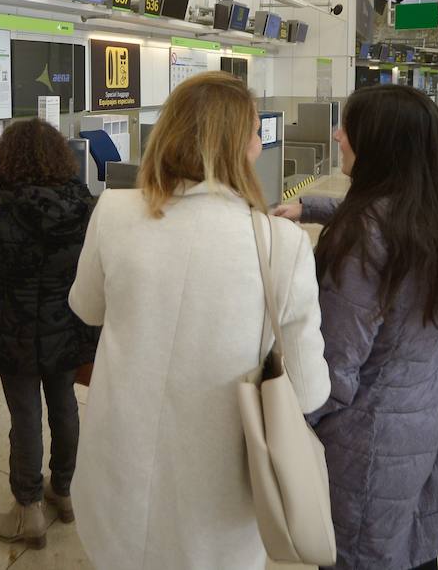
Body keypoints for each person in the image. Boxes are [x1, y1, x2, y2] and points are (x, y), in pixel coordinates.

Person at [69, 71, 329, 570]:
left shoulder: (114, 211)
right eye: (255, 132)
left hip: (116, 474)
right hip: (217, 504)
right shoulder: (283, 244)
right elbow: (310, 390)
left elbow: (86, 308)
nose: (259, 143)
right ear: (237, 146)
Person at [278, 85, 438, 570]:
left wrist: (289, 432)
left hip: (367, 448)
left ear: (380, 145)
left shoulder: (365, 240)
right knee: (412, 550)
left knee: (366, 553)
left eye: (349, 127)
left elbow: (334, 372)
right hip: (422, 425)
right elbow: (392, 219)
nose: (337, 135)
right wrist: (311, 208)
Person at [0, 118, 96, 548]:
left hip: (14, 321)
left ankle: (27, 509)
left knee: (25, 413)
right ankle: (65, 491)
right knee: (65, 404)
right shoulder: (82, 200)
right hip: (65, 320)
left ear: (5, 157)